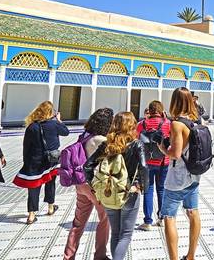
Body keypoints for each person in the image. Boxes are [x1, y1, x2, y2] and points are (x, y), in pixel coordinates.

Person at [86, 112, 147, 260]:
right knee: (125, 235)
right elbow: (144, 168)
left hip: (109, 191)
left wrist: (94, 186)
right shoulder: (136, 144)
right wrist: (141, 187)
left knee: (116, 233)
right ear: (131, 126)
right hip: (129, 192)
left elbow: (87, 166)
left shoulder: (107, 144)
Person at [64, 108, 113, 260]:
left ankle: (68, 255)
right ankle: (100, 255)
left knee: (78, 222)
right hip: (94, 185)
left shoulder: (84, 136)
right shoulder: (101, 140)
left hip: (81, 183)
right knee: (105, 219)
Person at [159, 87, 202, 260]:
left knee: (169, 217)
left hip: (177, 178)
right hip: (194, 175)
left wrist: (162, 148)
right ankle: (191, 255)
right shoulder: (197, 121)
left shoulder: (177, 124)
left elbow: (175, 154)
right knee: (193, 212)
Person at [13, 101, 69, 224]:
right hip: (51, 160)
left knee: (34, 186)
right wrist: (59, 120)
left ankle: (31, 215)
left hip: (35, 160)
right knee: (50, 182)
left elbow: (26, 146)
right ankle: (50, 207)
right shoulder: (54, 125)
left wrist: (26, 161)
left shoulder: (32, 126)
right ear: (50, 113)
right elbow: (66, 132)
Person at [136, 101, 171, 231]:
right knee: (161, 189)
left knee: (148, 191)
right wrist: (165, 118)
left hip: (147, 162)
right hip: (163, 161)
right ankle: (161, 219)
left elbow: (137, 140)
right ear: (161, 110)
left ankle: (148, 222)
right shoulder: (167, 124)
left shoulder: (141, 124)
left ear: (149, 111)